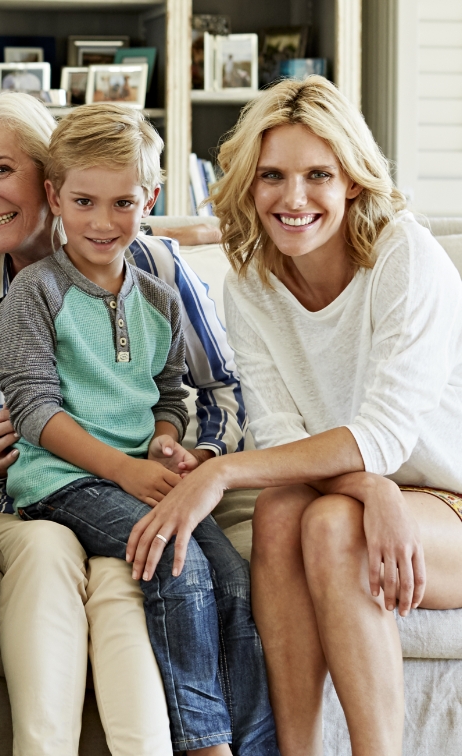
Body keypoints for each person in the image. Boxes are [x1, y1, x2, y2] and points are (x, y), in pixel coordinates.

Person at [128, 76, 462, 755]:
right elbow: (284, 439)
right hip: (373, 488)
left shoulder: (406, 257)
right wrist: (374, 488)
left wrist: (222, 472)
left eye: (318, 175)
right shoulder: (249, 284)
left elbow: (388, 432)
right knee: (283, 511)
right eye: (272, 176)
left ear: (353, 184)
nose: (294, 198)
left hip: (452, 500)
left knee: (334, 527)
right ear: (250, 185)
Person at [0, 93, 245, 756]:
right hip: (30, 495)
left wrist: (187, 450)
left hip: (135, 481)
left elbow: (214, 393)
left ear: (46, 178)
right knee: (63, 558)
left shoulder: (155, 272)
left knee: (164, 578)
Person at [0, 103, 278, 756]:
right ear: (54, 198)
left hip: (140, 474)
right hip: (62, 480)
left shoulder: (161, 298)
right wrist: (124, 468)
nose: (103, 221)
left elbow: (170, 396)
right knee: (176, 560)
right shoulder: (34, 293)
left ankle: (257, 746)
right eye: (84, 201)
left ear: (149, 197)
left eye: (122, 202)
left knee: (234, 577)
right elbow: (34, 412)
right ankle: (203, 744)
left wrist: (162, 441)